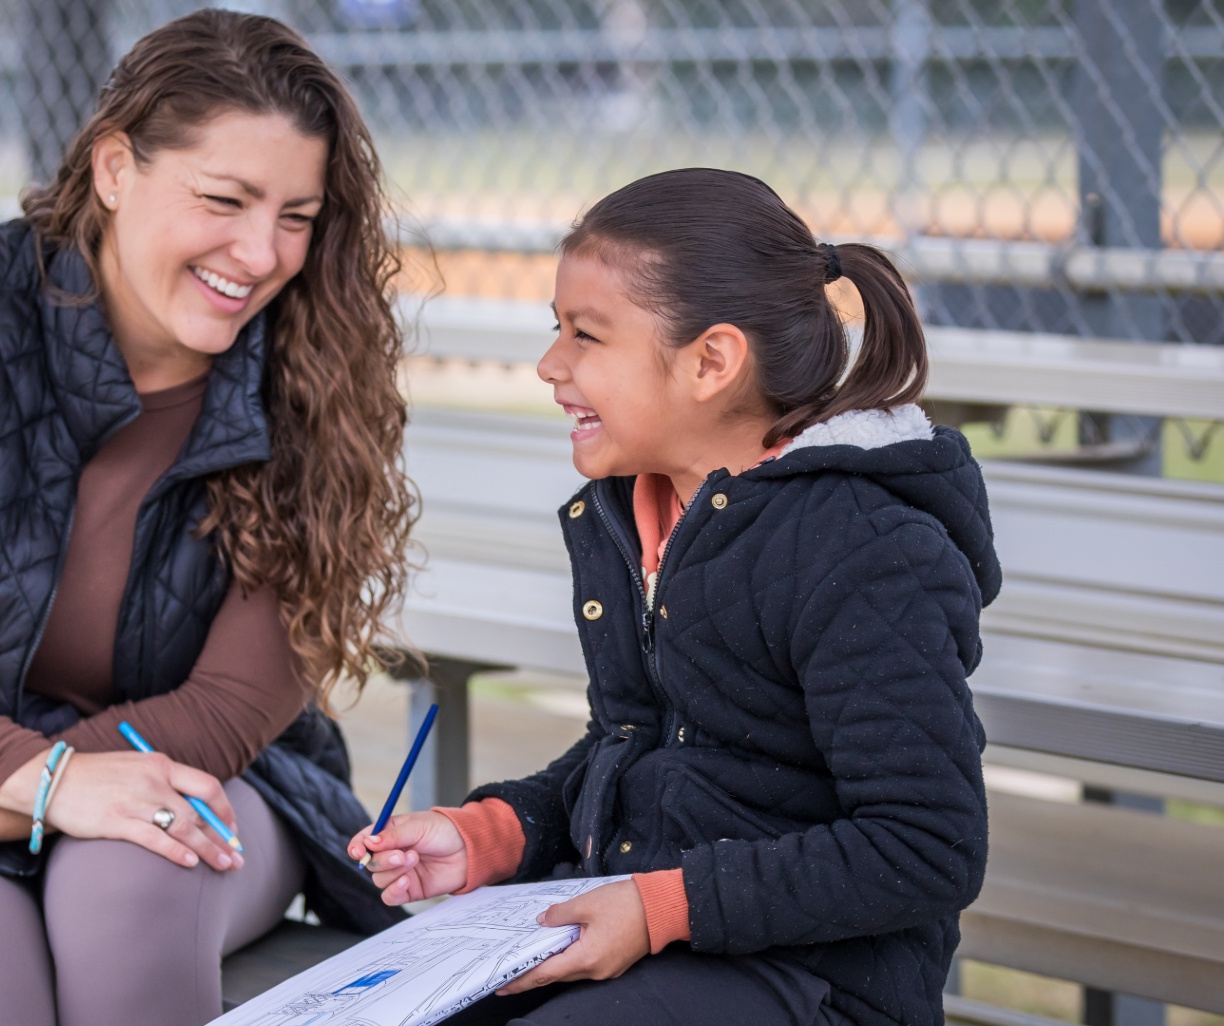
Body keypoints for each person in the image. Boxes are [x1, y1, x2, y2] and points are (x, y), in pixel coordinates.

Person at [0, 11, 416, 1026]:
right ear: (114, 168)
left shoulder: (321, 366)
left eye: (297, 214)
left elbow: (229, 707)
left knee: (127, 887)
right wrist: (40, 784)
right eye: (224, 200)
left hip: (201, 776)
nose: (261, 252)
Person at [352, 168, 998, 1026]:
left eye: (586, 335)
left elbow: (928, 846)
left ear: (712, 362)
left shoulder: (862, 550)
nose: (551, 364)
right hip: (654, 939)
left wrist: (661, 908)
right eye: (559, 329)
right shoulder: (643, 511)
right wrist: (494, 834)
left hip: (816, 983)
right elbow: (643, 750)